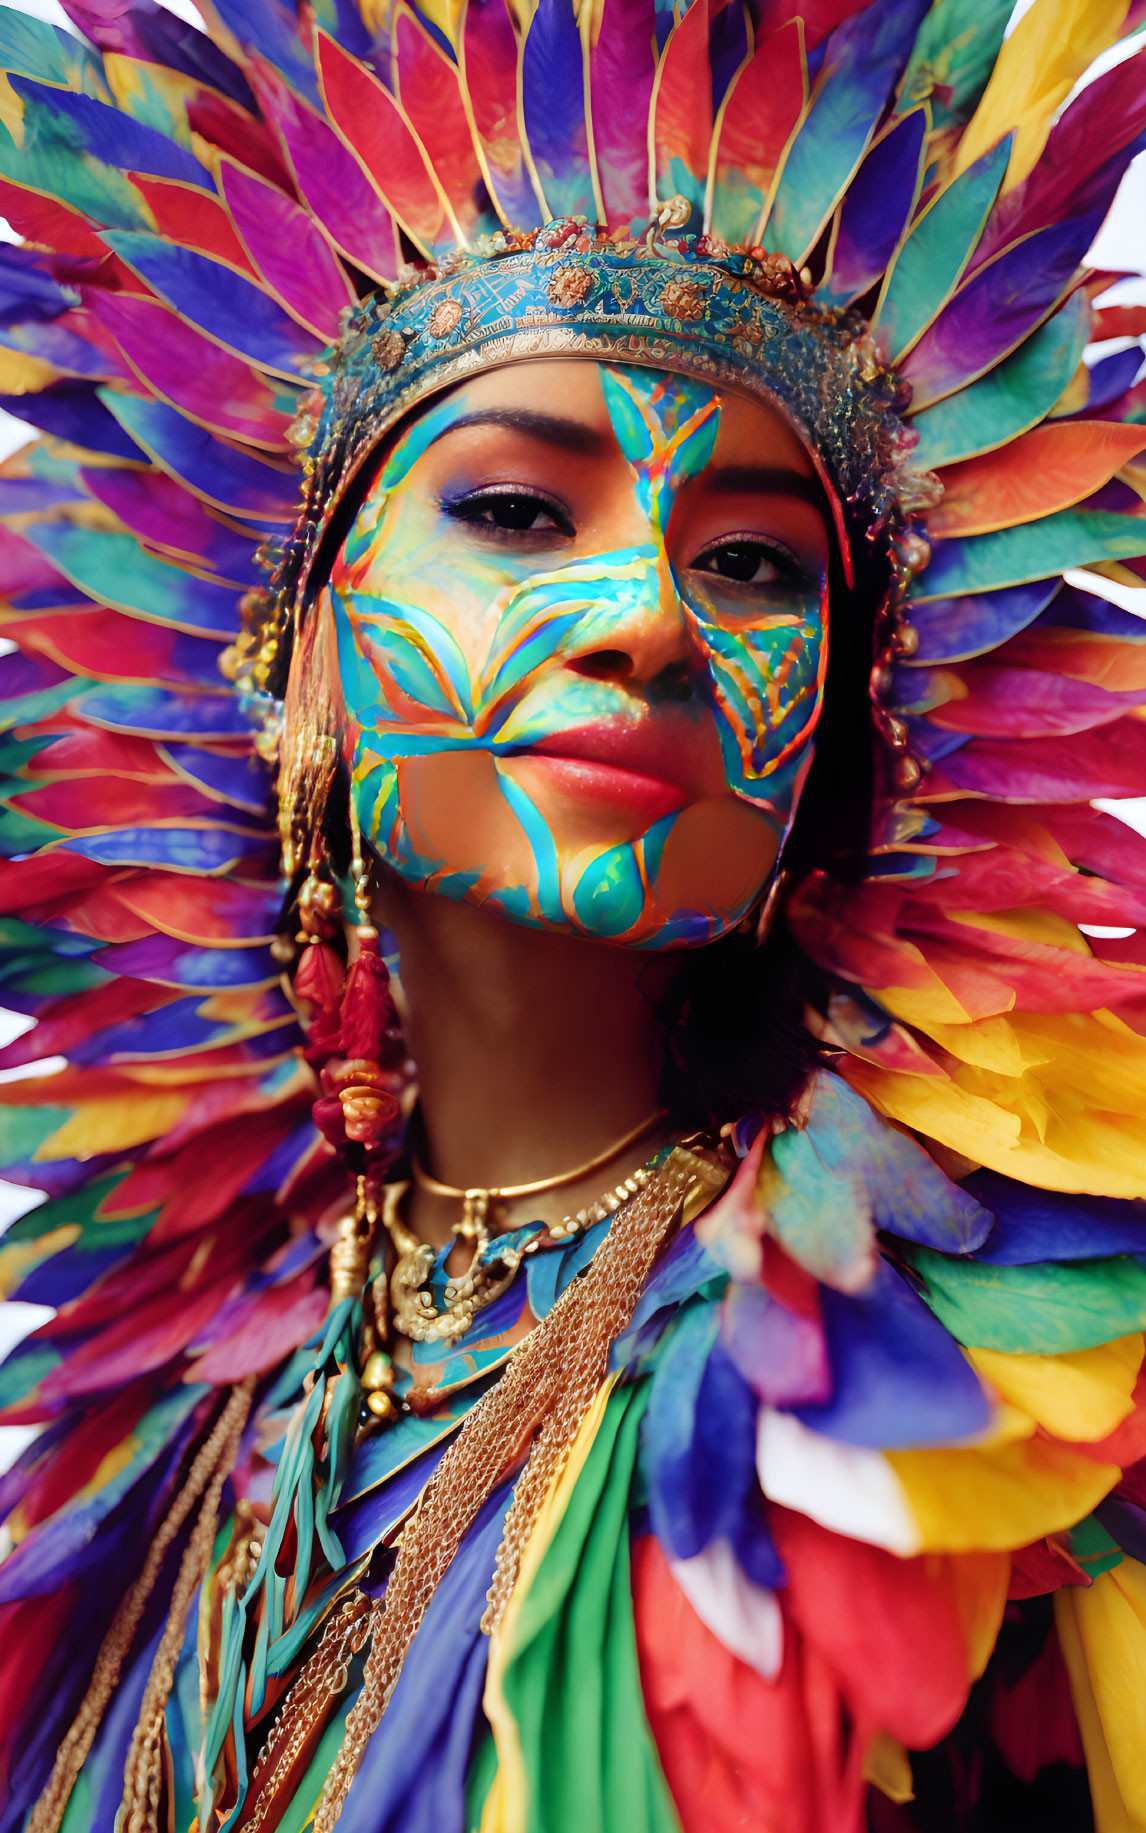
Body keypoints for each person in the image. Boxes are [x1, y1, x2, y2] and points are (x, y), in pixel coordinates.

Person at [1, 0, 1146, 1827]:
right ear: (297, 654)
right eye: (522, 509)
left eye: (755, 562)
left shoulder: (991, 1415)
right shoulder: (154, 1441)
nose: (651, 620)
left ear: (842, 748)